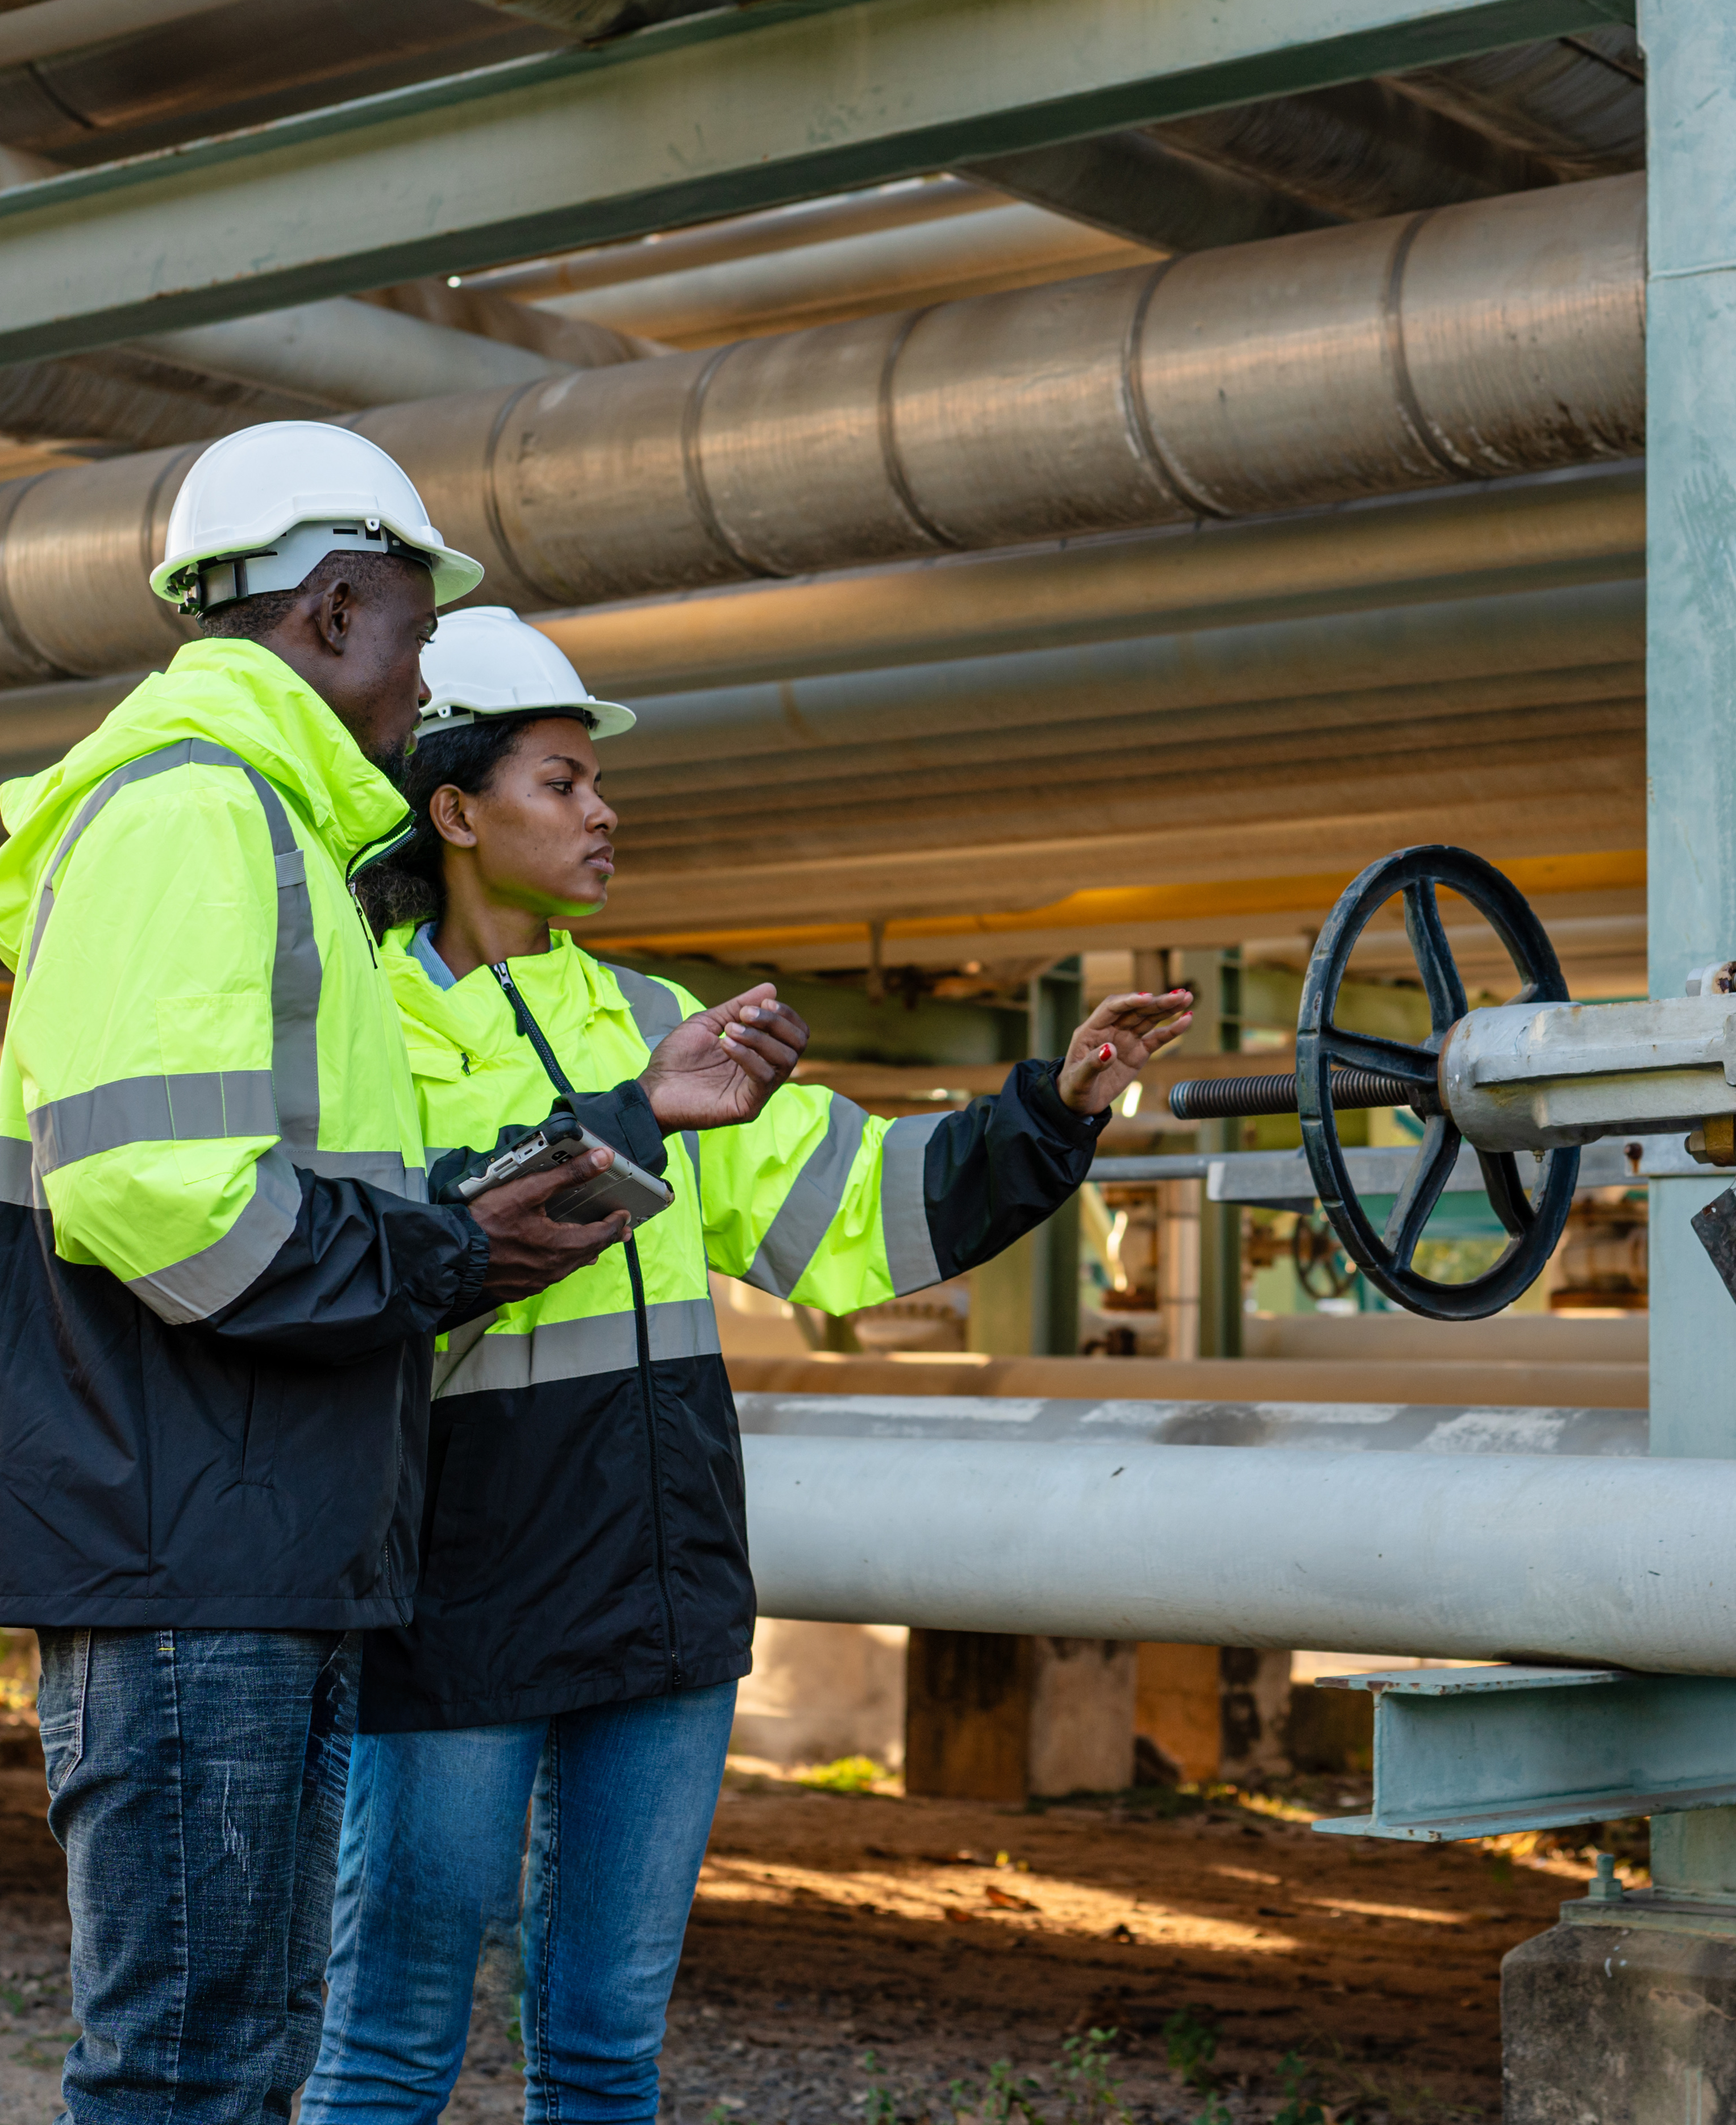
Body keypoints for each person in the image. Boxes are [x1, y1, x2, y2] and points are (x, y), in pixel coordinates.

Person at [0, 425, 813, 2124]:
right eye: (416, 629)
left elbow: (262, 1190)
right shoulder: (198, 808)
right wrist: (436, 1252)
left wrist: (443, 1233)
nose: (424, 674)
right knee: (192, 2062)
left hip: (236, 1523)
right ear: (334, 606)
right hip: (189, 1530)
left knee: (232, 2050)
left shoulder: (262, 830)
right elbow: (160, 1195)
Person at [302, 606, 1200, 2125]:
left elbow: (852, 1214)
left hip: (663, 1604)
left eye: (599, 782)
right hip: (454, 1610)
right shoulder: (355, 1021)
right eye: (561, 781)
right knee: (392, 2042)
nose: (603, 811)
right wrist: (639, 1115)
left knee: (603, 2051)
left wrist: (1051, 1108)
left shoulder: (653, 1017)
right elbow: (394, 1249)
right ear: (453, 809)